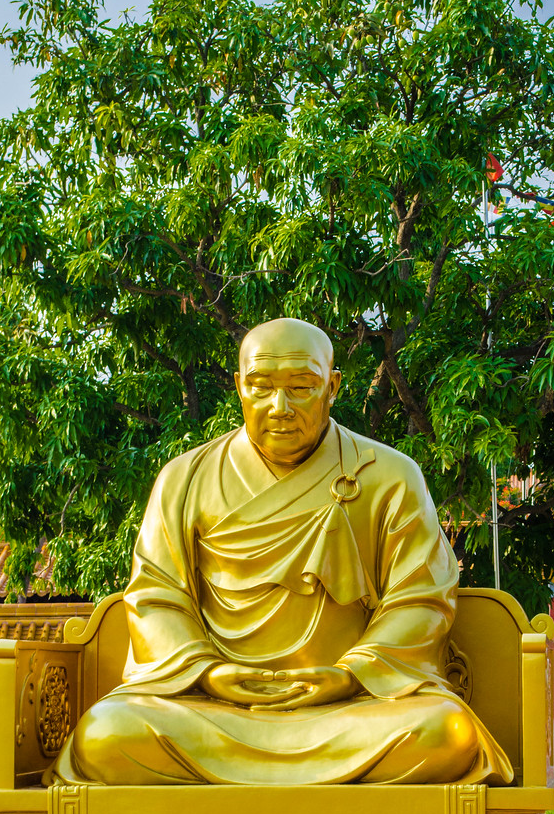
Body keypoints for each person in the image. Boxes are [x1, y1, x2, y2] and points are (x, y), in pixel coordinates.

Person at [47, 317, 513, 786]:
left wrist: (350, 675)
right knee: (106, 734)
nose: (280, 407)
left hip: (348, 708)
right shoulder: (184, 479)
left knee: (442, 732)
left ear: (332, 387)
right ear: (237, 386)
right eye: (261, 386)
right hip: (212, 708)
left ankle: (247, 780)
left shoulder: (390, 475)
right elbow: (155, 597)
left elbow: (422, 597)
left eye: (301, 387)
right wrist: (207, 673)